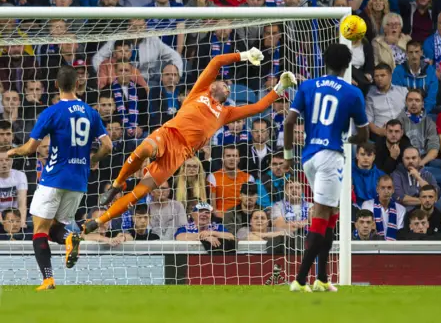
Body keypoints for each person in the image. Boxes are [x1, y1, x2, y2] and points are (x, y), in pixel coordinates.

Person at [83, 49, 297, 233]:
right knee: (143, 151)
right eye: (225, 84)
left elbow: (258, 108)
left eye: (230, 88)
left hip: (179, 154)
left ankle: (99, 220)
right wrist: (243, 55)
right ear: (214, 85)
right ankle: (117, 183)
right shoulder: (199, 92)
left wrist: (279, 88)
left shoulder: (226, 112)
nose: (228, 87)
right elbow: (217, 61)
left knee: (140, 192)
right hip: (169, 134)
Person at [7, 65, 113, 291]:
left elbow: (30, 149)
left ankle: (48, 279)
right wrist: (94, 159)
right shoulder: (91, 112)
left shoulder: (52, 112)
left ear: (56, 85)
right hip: (79, 182)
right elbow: (108, 146)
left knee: (39, 229)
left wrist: (12, 151)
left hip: (54, 178)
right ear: (77, 85)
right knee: (57, 226)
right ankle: (69, 238)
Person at [284, 43, 369, 293]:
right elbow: (363, 135)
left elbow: (289, 122)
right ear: (346, 66)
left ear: (324, 62)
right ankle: (300, 280)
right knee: (321, 217)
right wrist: (349, 140)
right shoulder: (353, 93)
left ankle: (321, 277)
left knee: (331, 215)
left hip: (308, 156)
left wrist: (288, 156)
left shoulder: (307, 85)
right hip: (331, 156)